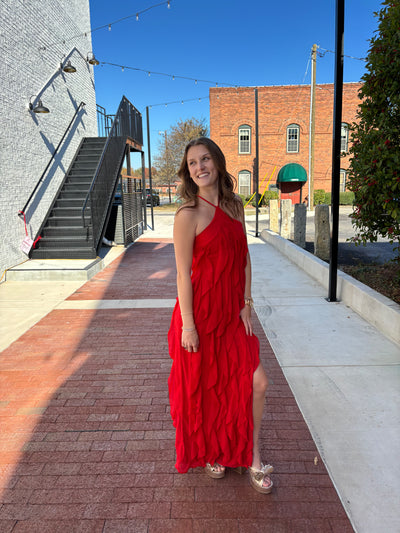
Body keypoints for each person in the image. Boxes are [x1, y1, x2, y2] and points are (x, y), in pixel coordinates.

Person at [168, 137, 273, 494]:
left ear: (218, 162)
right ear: (188, 171)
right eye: (193, 163)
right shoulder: (188, 215)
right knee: (207, 391)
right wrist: (189, 326)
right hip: (198, 318)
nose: (200, 167)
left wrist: (246, 301)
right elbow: (183, 274)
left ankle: (253, 454)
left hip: (231, 315)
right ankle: (213, 450)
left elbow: (244, 257)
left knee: (256, 382)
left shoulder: (235, 208)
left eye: (205, 159)